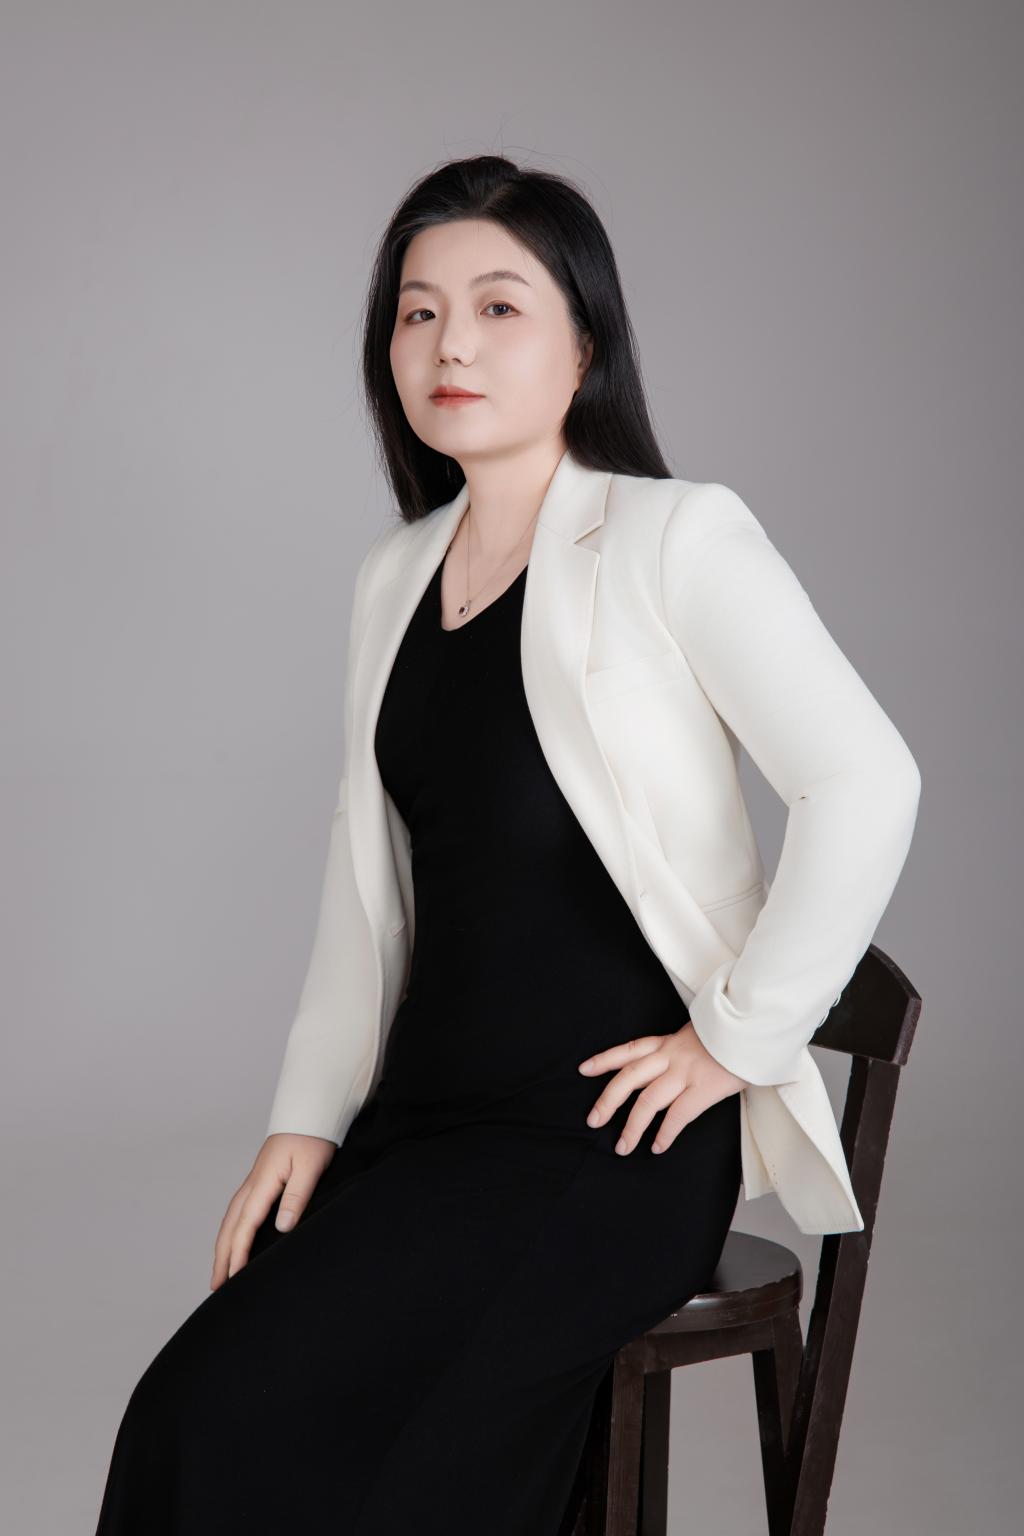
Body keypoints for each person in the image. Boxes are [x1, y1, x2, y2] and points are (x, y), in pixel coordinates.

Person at [94, 154, 920, 1534]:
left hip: (609, 1137)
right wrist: (305, 1117)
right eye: (417, 313)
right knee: (197, 1409)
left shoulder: (673, 537)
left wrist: (734, 1039)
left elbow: (866, 780)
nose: (451, 345)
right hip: (423, 1123)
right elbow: (368, 888)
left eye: (497, 307)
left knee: (371, 1444)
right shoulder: (395, 575)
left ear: (583, 346)